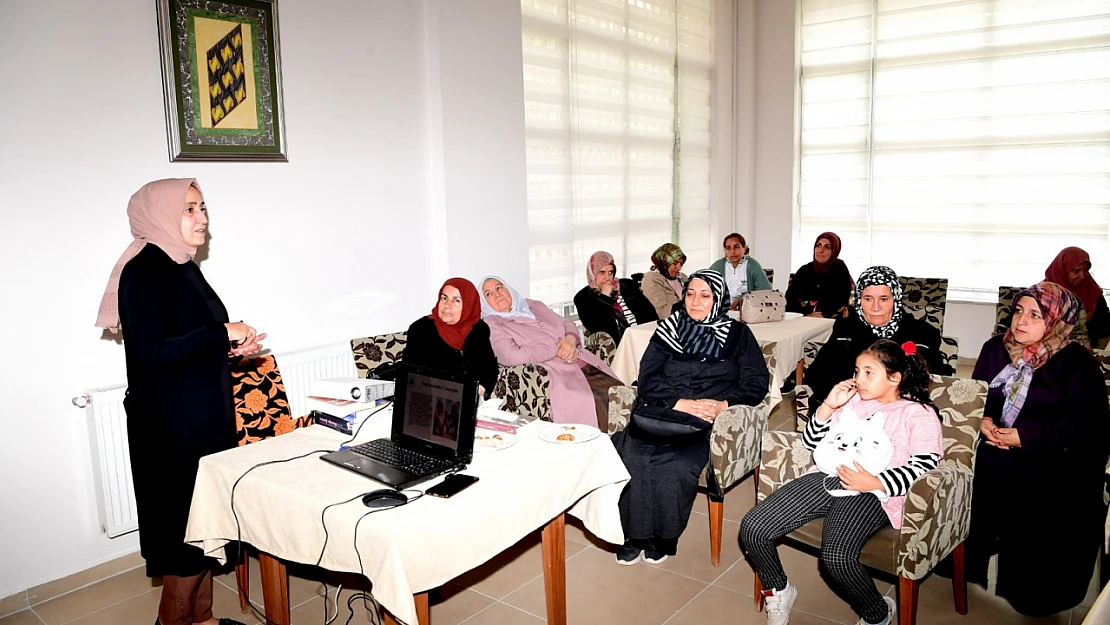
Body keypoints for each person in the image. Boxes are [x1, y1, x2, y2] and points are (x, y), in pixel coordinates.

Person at [95, 179, 255, 625]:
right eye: (189, 208)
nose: (202, 216)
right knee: (186, 535)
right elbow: (150, 354)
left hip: (201, 419)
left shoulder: (181, 263)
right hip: (170, 428)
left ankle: (201, 619)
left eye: (203, 206)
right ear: (161, 213)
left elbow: (188, 339)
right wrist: (220, 334)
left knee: (206, 530)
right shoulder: (144, 270)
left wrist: (228, 346)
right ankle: (173, 622)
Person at [740, 340, 944, 625]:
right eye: (857, 371)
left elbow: (924, 464)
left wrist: (874, 481)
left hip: (873, 493)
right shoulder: (853, 402)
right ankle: (780, 589)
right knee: (753, 527)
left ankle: (877, 613)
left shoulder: (918, 414)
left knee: (836, 558)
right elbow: (812, 444)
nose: (858, 379)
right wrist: (828, 405)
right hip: (825, 476)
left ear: (895, 377)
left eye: (868, 373)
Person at [967, 282, 1109, 617]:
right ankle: (965, 566)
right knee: (966, 474)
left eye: (1035, 315)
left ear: (1058, 321)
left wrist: (1025, 437)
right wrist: (983, 419)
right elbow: (976, 394)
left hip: (1050, 457)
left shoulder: (1077, 364)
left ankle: (1030, 589)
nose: (1020, 321)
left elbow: (1087, 425)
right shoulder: (994, 350)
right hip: (992, 446)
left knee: (1037, 494)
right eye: (1018, 311)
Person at [612, 270, 768, 564]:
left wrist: (725, 404)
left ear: (718, 300)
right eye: (691, 294)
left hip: (705, 419)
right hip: (661, 408)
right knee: (631, 455)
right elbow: (647, 377)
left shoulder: (738, 335)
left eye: (705, 295)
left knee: (675, 465)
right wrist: (678, 402)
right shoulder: (668, 329)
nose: (696, 302)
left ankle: (662, 536)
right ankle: (634, 534)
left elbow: (756, 383)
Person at [805, 266, 952, 416]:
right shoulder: (845, 329)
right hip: (847, 412)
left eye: (884, 299)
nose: (875, 307)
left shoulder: (923, 334)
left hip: (901, 414)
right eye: (868, 299)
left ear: (896, 299)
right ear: (859, 300)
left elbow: (934, 380)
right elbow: (818, 376)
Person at [480, 276, 620, 429]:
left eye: (499, 287)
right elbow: (512, 356)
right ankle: (609, 448)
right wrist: (557, 346)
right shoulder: (492, 325)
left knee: (621, 394)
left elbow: (567, 323)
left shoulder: (534, 305)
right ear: (485, 303)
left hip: (584, 362)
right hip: (558, 376)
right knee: (599, 402)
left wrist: (570, 341)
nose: (497, 294)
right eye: (488, 294)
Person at [402, 278, 498, 398]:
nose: (447, 305)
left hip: (471, 400)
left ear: (469, 304)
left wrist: (481, 390)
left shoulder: (479, 329)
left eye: (456, 300)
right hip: (430, 399)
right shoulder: (421, 329)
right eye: (444, 298)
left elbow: (488, 367)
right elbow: (411, 374)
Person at [573, 251, 658, 344]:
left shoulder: (627, 285)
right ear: (592, 272)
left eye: (610, 272)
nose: (607, 278)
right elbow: (599, 328)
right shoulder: (582, 298)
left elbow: (651, 314)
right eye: (602, 273)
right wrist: (604, 297)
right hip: (620, 346)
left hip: (646, 338)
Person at [1044, 246, 1110, 348]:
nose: (1082, 276)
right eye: (1076, 271)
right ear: (1062, 270)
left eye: (1085, 270)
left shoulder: (1092, 290)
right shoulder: (1043, 293)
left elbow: (1104, 324)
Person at [785, 232, 854, 318]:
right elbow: (790, 298)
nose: (821, 251)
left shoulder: (839, 269)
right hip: (802, 318)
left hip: (829, 321)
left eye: (827, 247)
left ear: (834, 250)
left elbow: (840, 300)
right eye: (818, 245)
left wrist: (821, 315)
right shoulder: (804, 270)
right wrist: (807, 315)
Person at [707, 233, 773, 309]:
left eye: (736, 247)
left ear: (744, 248)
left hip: (747, 310)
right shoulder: (717, 266)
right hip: (721, 310)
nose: (733, 251)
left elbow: (765, 291)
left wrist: (741, 299)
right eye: (728, 248)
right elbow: (704, 288)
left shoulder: (753, 265)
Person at [641, 243, 688, 319]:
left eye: (681, 264)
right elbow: (661, 312)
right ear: (664, 264)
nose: (679, 268)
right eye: (675, 263)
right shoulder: (652, 278)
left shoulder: (682, 277)